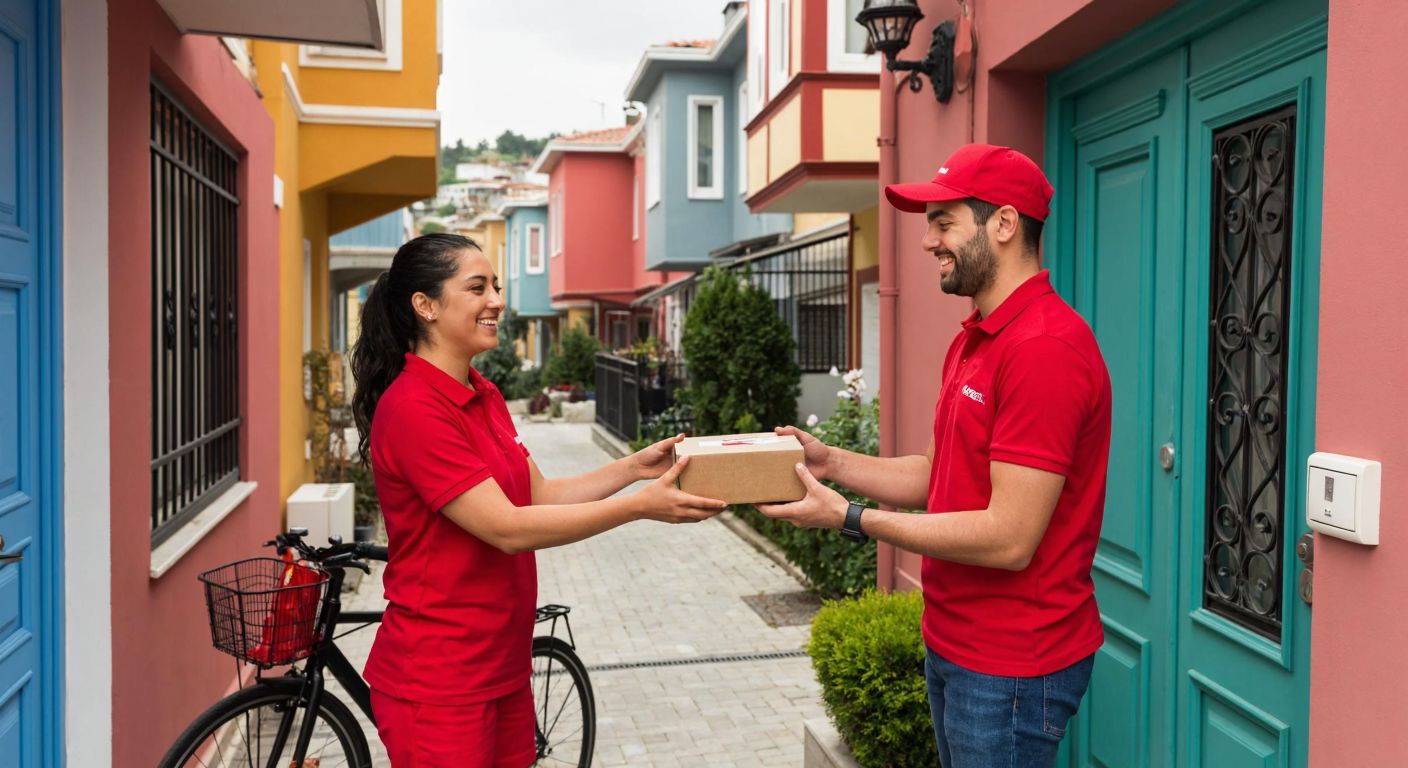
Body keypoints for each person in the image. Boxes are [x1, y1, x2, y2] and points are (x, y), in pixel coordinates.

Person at [758, 144, 1112, 767]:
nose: (927, 242)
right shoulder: (976, 339)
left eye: (944, 223)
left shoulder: (1044, 348)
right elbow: (934, 473)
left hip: (1012, 665)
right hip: (955, 644)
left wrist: (851, 518)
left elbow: (1009, 538)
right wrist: (830, 462)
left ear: (1003, 224)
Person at [349, 233, 726, 767]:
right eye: (477, 287)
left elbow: (539, 494)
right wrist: (640, 507)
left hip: (502, 664)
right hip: (440, 680)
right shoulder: (413, 408)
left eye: (496, 286)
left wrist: (634, 469)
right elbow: (508, 528)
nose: (496, 300)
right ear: (425, 306)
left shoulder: (483, 393)